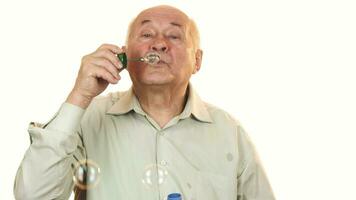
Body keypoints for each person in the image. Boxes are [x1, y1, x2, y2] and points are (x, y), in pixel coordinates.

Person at [14, 5, 275, 200]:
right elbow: (33, 195)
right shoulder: (89, 119)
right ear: (124, 56)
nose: (159, 45)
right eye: (147, 34)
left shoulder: (229, 132)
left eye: (174, 36)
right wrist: (79, 96)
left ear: (197, 61)